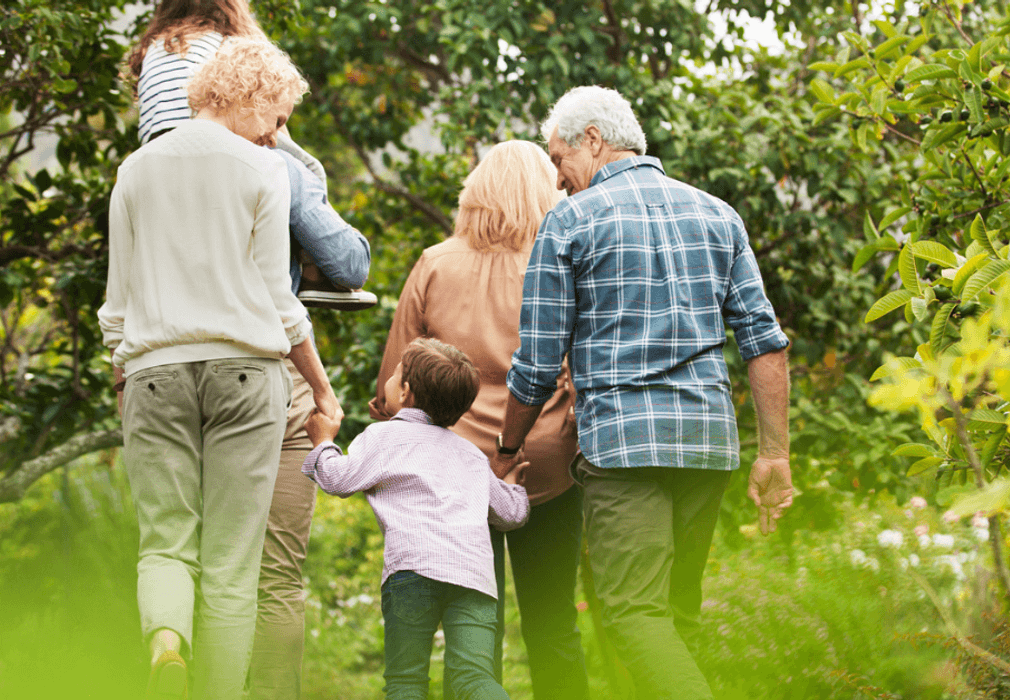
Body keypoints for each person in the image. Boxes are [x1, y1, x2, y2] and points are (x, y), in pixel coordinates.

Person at [491, 86, 794, 700]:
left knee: (632, 613)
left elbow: (538, 362)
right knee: (674, 617)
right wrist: (774, 453)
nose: (556, 179)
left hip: (624, 450)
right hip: (707, 445)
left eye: (557, 159)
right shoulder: (717, 214)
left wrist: (508, 445)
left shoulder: (570, 223)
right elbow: (765, 342)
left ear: (594, 141)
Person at [129, 4, 373, 698]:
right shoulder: (271, 168)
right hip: (257, 373)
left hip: (159, 367)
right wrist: (299, 160)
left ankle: (166, 648)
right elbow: (332, 272)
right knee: (263, 573)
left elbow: (119, 299)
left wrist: (126, 365)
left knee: (167, 548)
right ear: (252, 89)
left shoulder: (142, 168)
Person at [369, 141, 588, 700]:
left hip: (454, 477)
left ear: (475, 194)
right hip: (546, 466)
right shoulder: (560, 263)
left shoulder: (435, 264)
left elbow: (393, 389)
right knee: (553, 621)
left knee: (474, 633)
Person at [304, 339, 529, 700]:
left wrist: (323, 442)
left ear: (405, 391)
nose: (389, 382)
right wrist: (512, 484)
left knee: (407, 681)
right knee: (474, 678)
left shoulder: (383, 437)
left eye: (394, 376)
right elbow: (511, 514)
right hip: (473, 578)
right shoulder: (471, 455)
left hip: (413, 571)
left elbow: (337, 479)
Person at [129, 0, 377, 311]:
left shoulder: (153, 49)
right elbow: (261, 119)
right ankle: (316, 273)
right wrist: (278, 131)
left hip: (162, 164)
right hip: (218, 142)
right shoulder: (229, 45)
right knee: (306, 167)